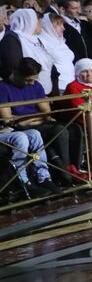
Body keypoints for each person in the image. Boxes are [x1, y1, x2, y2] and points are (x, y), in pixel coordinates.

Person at [0, 57, 61, 194]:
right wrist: (30, 120)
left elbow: (45, 113)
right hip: (5, 130)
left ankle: (44, 177)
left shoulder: (35, 85)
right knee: (21, 137)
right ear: (17, 74)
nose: (32, 83)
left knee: (34, 134)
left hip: (15, 127)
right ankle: (23, 181)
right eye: (28, 80)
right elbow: (9, 120)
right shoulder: (2, 88)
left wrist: (27, 121)